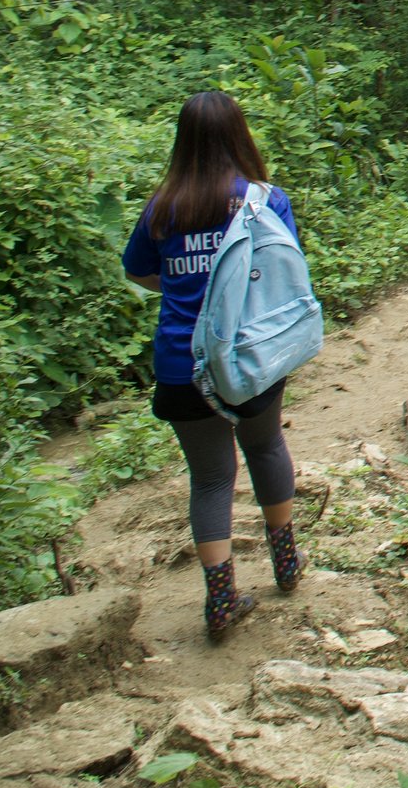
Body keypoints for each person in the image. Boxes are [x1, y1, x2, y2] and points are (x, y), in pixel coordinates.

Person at [122, 90, 303, 639]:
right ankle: (287, 565)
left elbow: (137, 271)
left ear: (184, 142)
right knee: (266, 446)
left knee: (210, 478)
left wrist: (182, 281)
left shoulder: (163, 206)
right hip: (250, 358)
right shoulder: (264, 200)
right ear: (238, 136)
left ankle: (220, 602)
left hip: (182, 362)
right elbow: (287, 267)